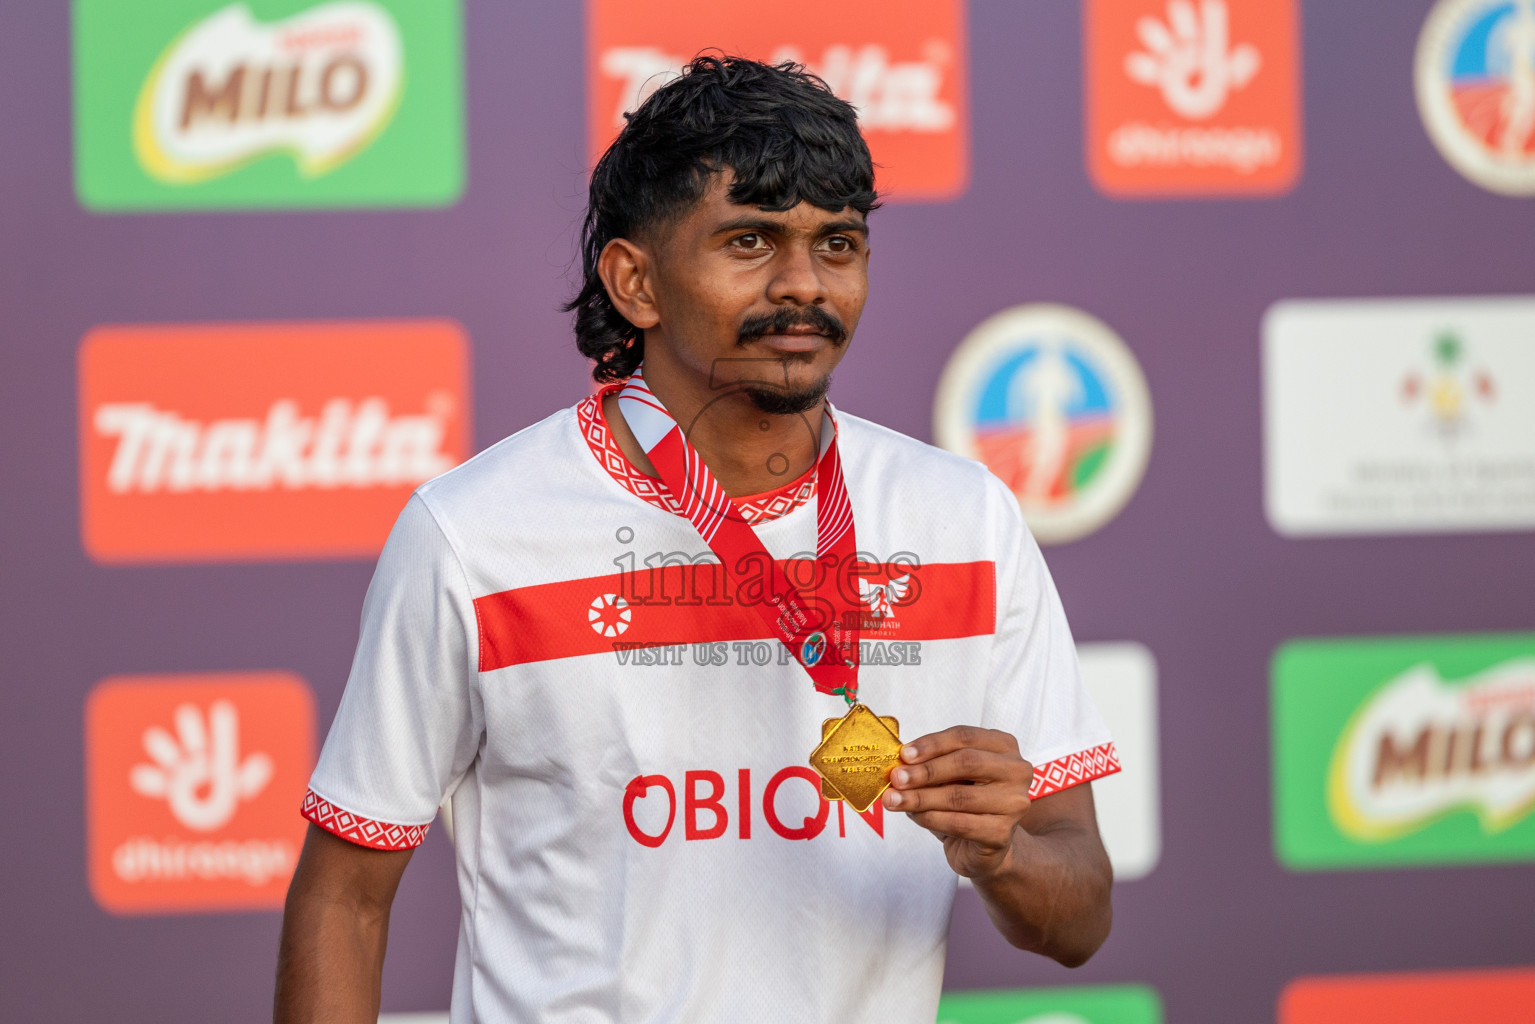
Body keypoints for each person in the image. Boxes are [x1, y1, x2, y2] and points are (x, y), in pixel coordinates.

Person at [275, 55, 1117, 1024]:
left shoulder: (963, 519)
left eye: (836, 244)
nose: (802, 286)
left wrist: (1000, 853)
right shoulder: (473, 534)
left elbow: (1079, 915)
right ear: (635, 280)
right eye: (750, 241)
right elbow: (342, 899)